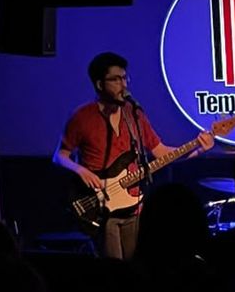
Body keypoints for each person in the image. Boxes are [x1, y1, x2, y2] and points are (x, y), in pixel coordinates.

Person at [51, 51, 213, 260]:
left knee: (137, 266)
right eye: (116, 79)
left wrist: (197, 148)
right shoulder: (82, 117)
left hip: (134, 207)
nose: (124, 84)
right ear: (100, 84)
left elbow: (161, 153)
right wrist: (80, 170)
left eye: (125, 78)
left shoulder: (134, 114)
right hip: (101, 207)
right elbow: (59, 156)